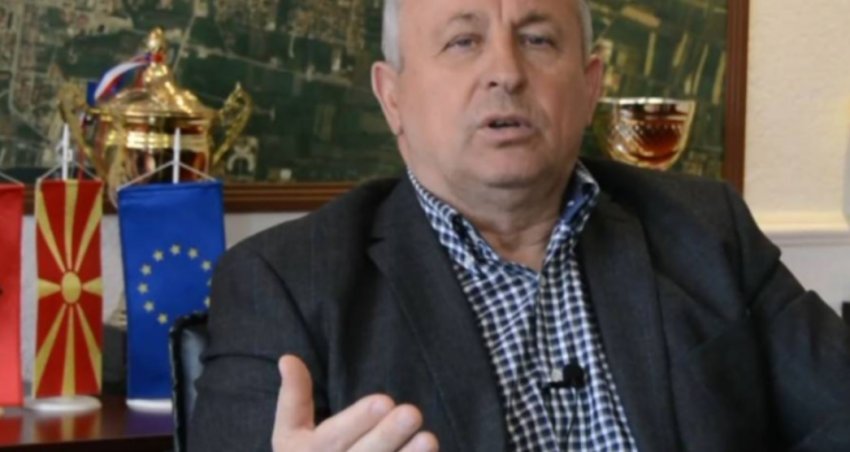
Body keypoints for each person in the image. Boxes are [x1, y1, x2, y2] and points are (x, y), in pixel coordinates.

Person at [189, 0, 850, 450]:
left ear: (590, 86)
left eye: (537, 39)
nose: (505, 72)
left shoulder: (707, 229)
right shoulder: (282, 284)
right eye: (462, 40)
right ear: (393, 97)